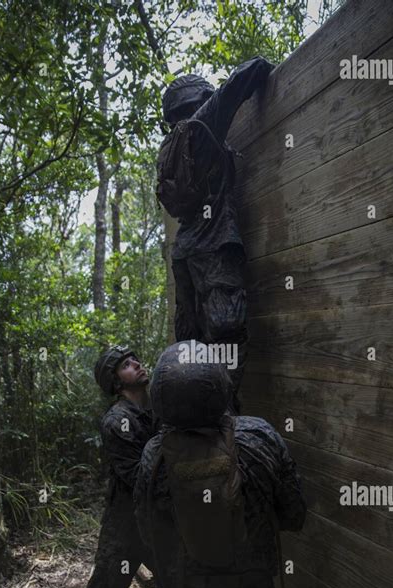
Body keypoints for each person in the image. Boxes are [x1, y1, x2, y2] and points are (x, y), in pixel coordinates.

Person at [134, 342, 306, 588]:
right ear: (221, 384)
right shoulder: (261, 436)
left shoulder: (154, 456)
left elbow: (148, 537)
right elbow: (295, 516)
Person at [158, 56, 275, 409]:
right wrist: (265, 66)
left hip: (186, 250)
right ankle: (218, 418)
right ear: (199, 99)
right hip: (214, 245)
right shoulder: (202, 123)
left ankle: (188, 419)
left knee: (190, 340)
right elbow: (245, 76)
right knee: (225, 334)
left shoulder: (167, 147)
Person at [67, 345, 157, 588]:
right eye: (125, 365)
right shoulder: (117, 421)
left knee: (181, 584)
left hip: (157, 522)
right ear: (116, 384)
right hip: (126, 525)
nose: (136, 364)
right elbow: (138, 477)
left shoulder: (157, 409)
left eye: (134, 359)